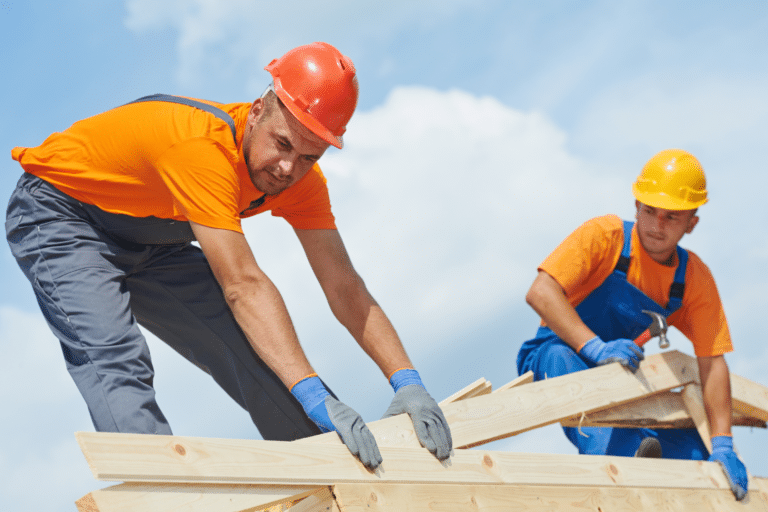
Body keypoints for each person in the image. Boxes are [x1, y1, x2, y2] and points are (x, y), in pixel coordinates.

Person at [6, 42, 451, 470]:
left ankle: (335, 481)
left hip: (152, 240)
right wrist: (317, 394)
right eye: (281, 144)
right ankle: (160, 493)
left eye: (308, 157)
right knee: (115, 356)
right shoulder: (200, 149)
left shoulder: (301, 182)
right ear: (257, 111)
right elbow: (243, 284)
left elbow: (344, 284)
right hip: (61, 216)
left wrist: (407, 382)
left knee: (257, 352)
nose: (287, 168)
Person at [515, 149, 748, 500]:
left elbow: (712, 362)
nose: (657, 225)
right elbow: (540, 292)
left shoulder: (693, 279)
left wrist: (723, 442)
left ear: (692, 223)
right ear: (636, 205)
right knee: (561, 359)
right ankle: (626, 462)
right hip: (556, 355)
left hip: (625, 374)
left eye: (672, 216)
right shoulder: (605, 237)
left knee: (695, 452)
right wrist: (595, 347)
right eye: (649, 211)